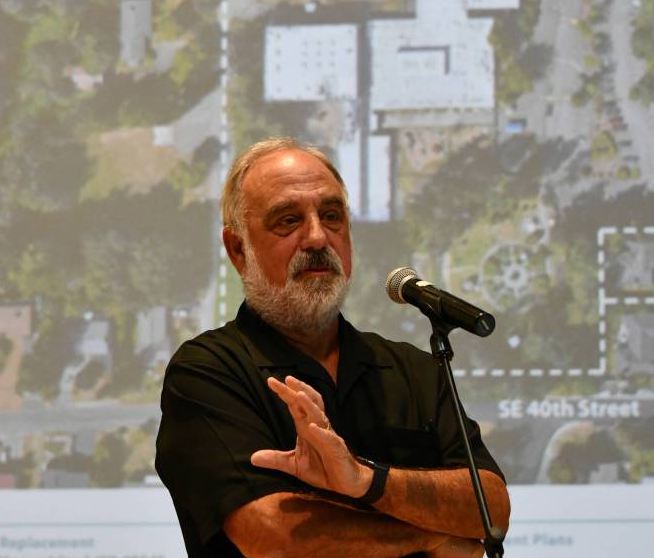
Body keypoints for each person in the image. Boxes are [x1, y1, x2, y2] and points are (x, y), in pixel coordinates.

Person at [156, 138, 510, 558]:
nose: (317, 237)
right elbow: (272, 536)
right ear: (237, 249)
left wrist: (366, 480)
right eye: (288, 220)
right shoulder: (207, 372)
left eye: (331, 215)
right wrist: (429, 535)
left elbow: (491, 509)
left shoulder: (413, 369)